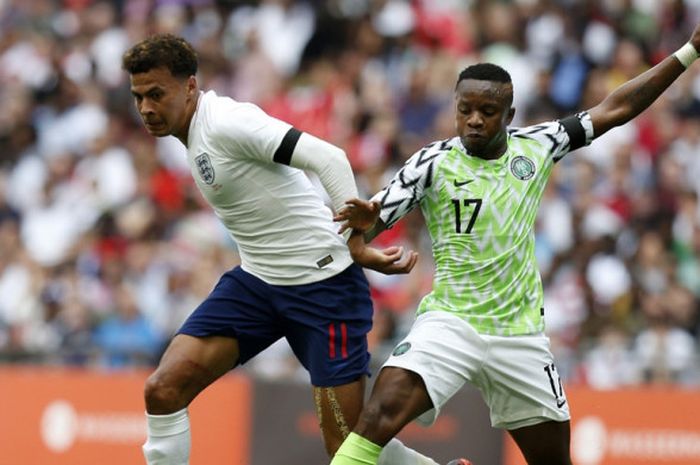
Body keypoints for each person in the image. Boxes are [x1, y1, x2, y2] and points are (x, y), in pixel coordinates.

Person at [330, 26, 700, 465]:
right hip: (451, 322)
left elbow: (615, 107)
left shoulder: (539, 145)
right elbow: (366, 227)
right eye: (465, 109)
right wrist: (365, 234)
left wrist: (690, 50)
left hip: (519, 336)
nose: (474, 120)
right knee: (377, 417)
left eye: (488, 111)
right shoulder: (432, 162)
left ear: (509, 114)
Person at [121, 34, 441, 465]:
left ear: (190, 87)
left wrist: (358, 243)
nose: (146, 108)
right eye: (139, 97)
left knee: (347, 449)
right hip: (258, 283)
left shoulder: (227, 123)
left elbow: (329, 158)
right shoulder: (189, 133)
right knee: (162, 389)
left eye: (156, 94)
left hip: (323, 287)